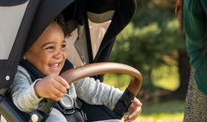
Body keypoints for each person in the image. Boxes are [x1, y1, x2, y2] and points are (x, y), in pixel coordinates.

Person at [10, 14, 142, 122]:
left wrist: (124, 99)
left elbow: (93, 90)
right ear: (25, 52)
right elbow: (20, 101)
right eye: (50, 48)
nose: (59, 54)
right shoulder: (21, 72)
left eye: (62, 46)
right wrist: (38, 89)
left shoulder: (67, 70)